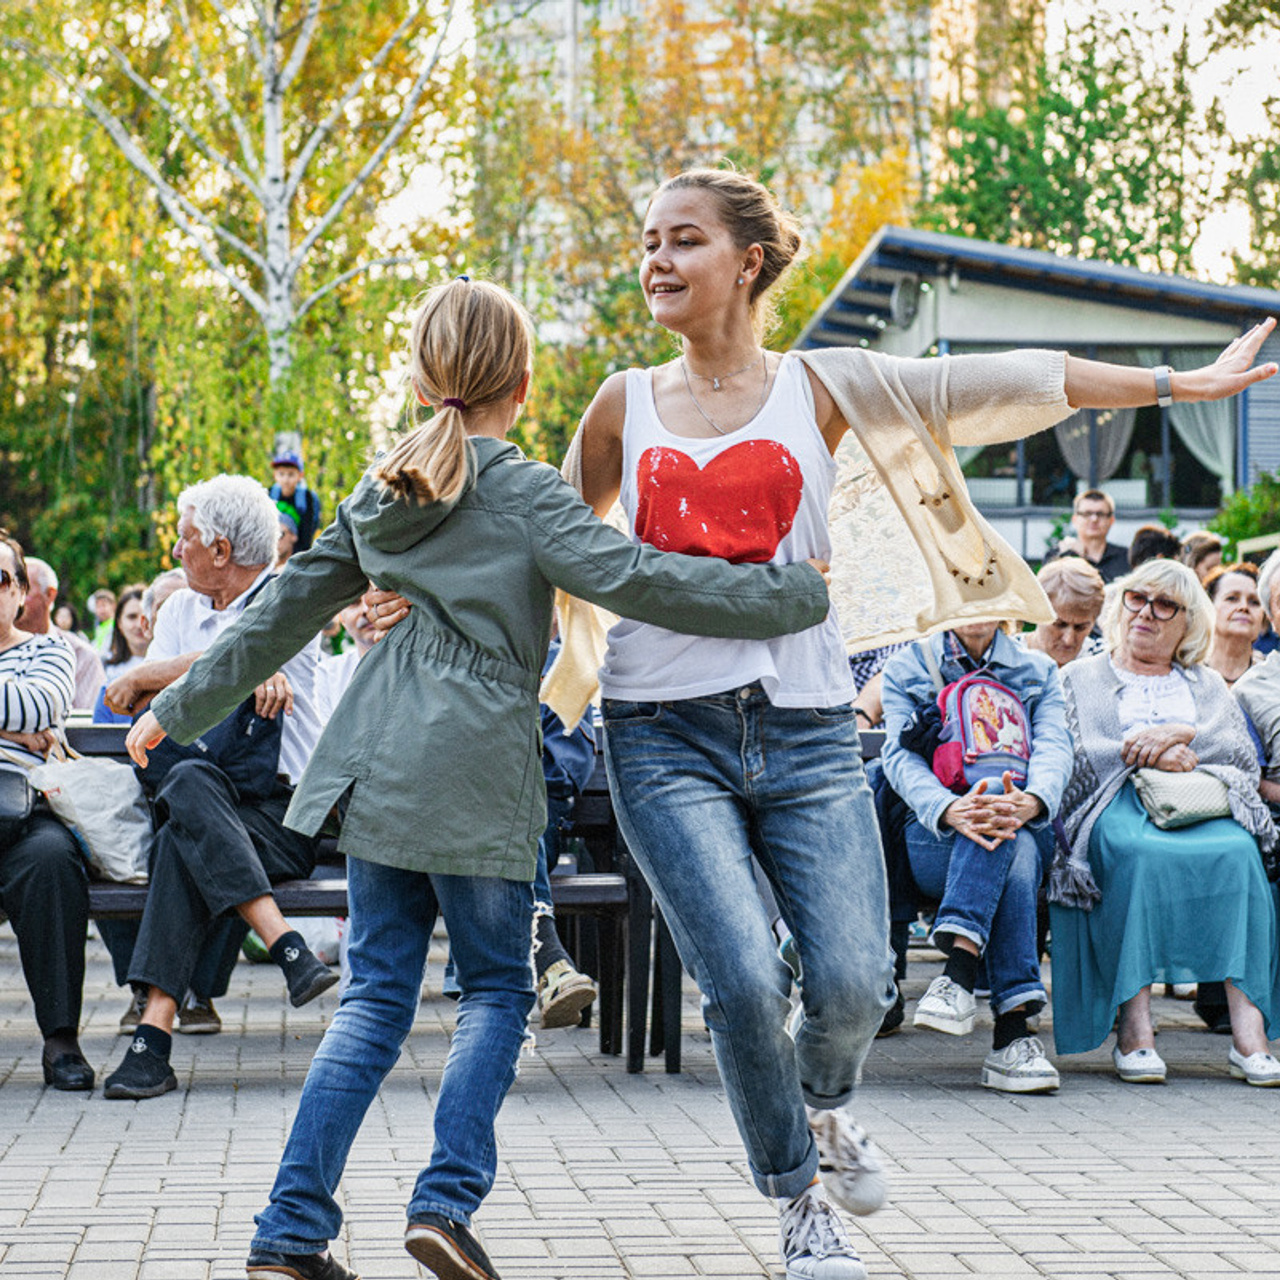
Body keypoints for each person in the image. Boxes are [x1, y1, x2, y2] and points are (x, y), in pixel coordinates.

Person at [523, 169, 1274, 1280]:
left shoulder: (821, 385)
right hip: (656, 729)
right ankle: (796, 1204)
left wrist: (1173, 382)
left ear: (747, 261)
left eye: (683, 240)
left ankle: (821, 1107)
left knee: (849, 983)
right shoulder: (618, 406)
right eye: (647, 242)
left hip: (807, 730)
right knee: (737, 982)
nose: (657, 262)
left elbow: (995, 379)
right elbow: (542, 544)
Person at [125, 277, 830, 1280]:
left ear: (421, 376)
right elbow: (637, 579)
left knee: (373, 998)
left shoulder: (380, 490)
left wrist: (171, 710)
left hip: (377, 766)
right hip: (476, 769)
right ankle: (444, 1201)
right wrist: (787, 594)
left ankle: (288, 1230)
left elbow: (275, 612)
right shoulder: (528, 489)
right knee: (496, 988)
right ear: (527, 382)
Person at [99, 475, 334, 1102]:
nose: (177, 553)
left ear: (222, 551)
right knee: (189, 788)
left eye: (185, 541)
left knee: (184, 817)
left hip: (282, 816)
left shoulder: (292, 601)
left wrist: (152, 670)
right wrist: (181, 681)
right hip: (205, 797)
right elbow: (171, 702)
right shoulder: (178, 608)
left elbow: (223, 667)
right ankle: (284, 944)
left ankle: (152, 1047)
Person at [1048, 558, 1280, 1085]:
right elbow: (1076, 756)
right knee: (1137, 854)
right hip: (1115, 802)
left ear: (1187, 622)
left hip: (1199, 800)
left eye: (1165, 605)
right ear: (1121, 604)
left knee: (1241, 855)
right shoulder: (1079, 676)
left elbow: (1239, 756)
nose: (1146, 614)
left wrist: (1183, 738)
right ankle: (1136, 1028)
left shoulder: (1205, 683)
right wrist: (1146, 754)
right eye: (1137, 599)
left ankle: (1250, 1035)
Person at [880, 621, 1072, 1093]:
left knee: (1013, 833)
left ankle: (959, 972)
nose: (976, 606)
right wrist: (948, 808)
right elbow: (898, 756)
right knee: (1011, 839)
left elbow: (1054, 746)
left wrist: (1032, 800)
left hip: (1022, 817)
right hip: (934, 836)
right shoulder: (909, 665)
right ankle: (1011, 1036)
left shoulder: (1038, 670)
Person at [0, 531, 92, 1090]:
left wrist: (29, 718)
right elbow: (22, 707)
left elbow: (42, 703)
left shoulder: (50, 650)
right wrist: (15, 725)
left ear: (19, 592)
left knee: (53, 862)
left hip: (21, 810)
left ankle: (62, 1041)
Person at [22, 558, 105, 710]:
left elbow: (85, 727)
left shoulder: (82, 656)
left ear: (50, 595)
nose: (15, 598)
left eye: (24, 590)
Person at [1024, 557, 1106, 668]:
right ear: (1037, 613)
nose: (1068, 640)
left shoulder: (1103, 660)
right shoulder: (1005, 657)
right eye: (1059, 625)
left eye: (1081, 627)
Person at [92, 586, 149, 724]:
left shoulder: (173, 669)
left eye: (145, 617)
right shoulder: (107, 673)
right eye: (132, 617)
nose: (139, 625)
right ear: (119, 624)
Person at [1203, 561, 1265, 688]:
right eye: (1232, 598)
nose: (1244, 607)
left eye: (1254, 602)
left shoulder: (1271, 677)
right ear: (1208, 606)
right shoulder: (1187, 672)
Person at [1047, 489, 1130, 582]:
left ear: (1111, 520)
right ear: (1075, 519)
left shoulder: (1128, 557)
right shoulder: (1057, 556)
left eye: (1100, 514)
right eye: (1087, 513)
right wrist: (1070, 556)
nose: (1094, 519)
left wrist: (1080, 558)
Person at [270, 449, 323, 553]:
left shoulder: (307, 498)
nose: (285, 480)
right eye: (281, 474)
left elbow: (307, 534)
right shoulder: (270, 495)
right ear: (275, 475)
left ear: (300, 475)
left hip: (296, 550)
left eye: (291, 475)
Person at [88, 587, 117, 653]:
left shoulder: (117, 625)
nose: (101, 610)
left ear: (113, 605)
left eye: (103, 605)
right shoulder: (100, 627)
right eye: (98, 607)